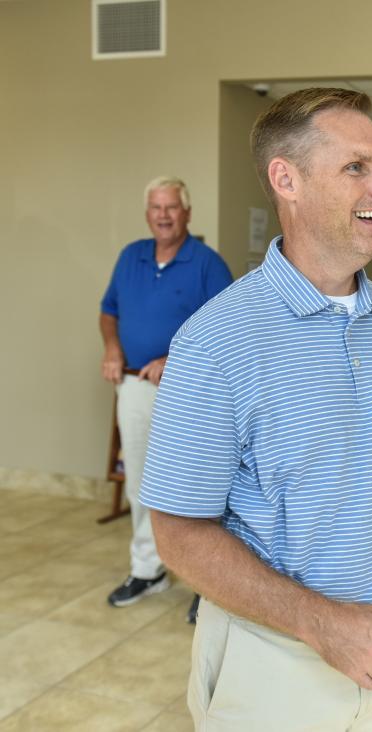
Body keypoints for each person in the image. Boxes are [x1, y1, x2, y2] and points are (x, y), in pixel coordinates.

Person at [139, 88, 372, 732]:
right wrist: (323, 624)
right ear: (287, 179)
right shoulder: (215, 341)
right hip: (270, 657)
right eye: (357, 167)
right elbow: (177, 534)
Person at [99, 177, 232, 612]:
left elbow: (225, 331)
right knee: (140, 482)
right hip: (135, 386)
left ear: (187, 213)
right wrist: (113, 349)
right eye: (156, 207)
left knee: (195, 488)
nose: (163, 214)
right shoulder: (130, 257)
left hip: (188, 393)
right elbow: (109, 311)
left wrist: (174, 359)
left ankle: (205, 583)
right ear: (147, 213)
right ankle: (148, 569)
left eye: (172, 207)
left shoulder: (208, 264)